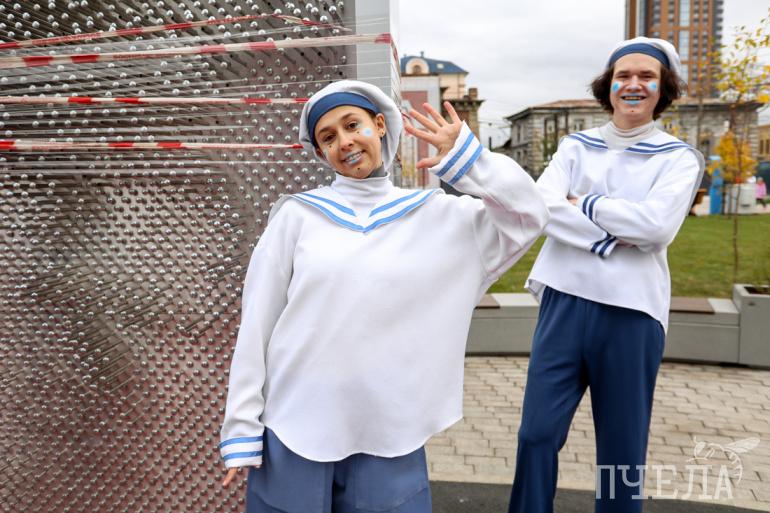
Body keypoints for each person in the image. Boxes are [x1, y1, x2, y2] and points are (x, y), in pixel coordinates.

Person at [219, 79, 549, 513]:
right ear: (321, 153)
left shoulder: (437, 216)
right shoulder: (297, 216)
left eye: (352, 125)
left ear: (379, 125)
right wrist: (242, 424)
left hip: (391, 430)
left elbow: (528, 216)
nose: (344, 142)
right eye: (328, 137)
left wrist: (470, 159)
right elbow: (257, 324)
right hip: (294, 424)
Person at [509, 38, 704, 513]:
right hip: (563, 302)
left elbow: (656, 227)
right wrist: (615, 232)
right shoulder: (575, 146)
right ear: (608, 84)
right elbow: (543, 207)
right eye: (624, 75)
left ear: (663, 88)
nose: (633, 85)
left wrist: (587, 203)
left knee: (621, 449)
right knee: (536, 435)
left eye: (646, 77)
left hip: (631, 313)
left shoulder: (679, 158)